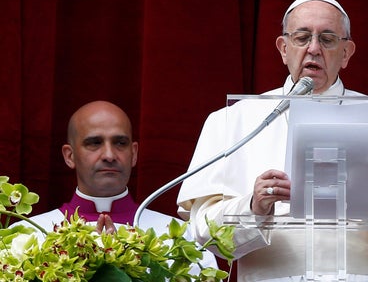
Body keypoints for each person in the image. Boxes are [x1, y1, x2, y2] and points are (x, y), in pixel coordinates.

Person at [176, 0, 368, 281]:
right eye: (301, 37)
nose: (313, 49)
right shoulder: (232, 121)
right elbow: (202, 231)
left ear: (346, 52)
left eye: (327, 39)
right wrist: (253, 207)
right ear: (283, 48)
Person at [12, 101, 217, 269]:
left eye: (120, 143)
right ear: (70, 155)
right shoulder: (26, 236)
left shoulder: (184, 239)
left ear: (134, 153)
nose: (109, 155)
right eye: (94, 143)